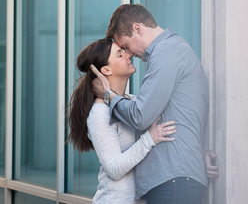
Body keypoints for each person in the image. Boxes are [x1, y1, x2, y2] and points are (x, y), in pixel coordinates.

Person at [90, 4, 216, 204]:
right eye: (121, 51)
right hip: (175, 180)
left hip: (174, 181)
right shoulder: (172, 51)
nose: (129, 53)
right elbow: (181, 116)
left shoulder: (166, 53)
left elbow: (140, 117)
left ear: (138, 29)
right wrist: (200, 150)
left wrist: (109, 96)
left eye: (125, 46)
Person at [68, 38, 177, 204]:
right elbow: (114, 168)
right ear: (106, 70)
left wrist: (199, 156)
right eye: (120, 54)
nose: (128, 55)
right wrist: (149, 138)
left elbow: (168, 131)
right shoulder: (100, 113)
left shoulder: (132, 103)